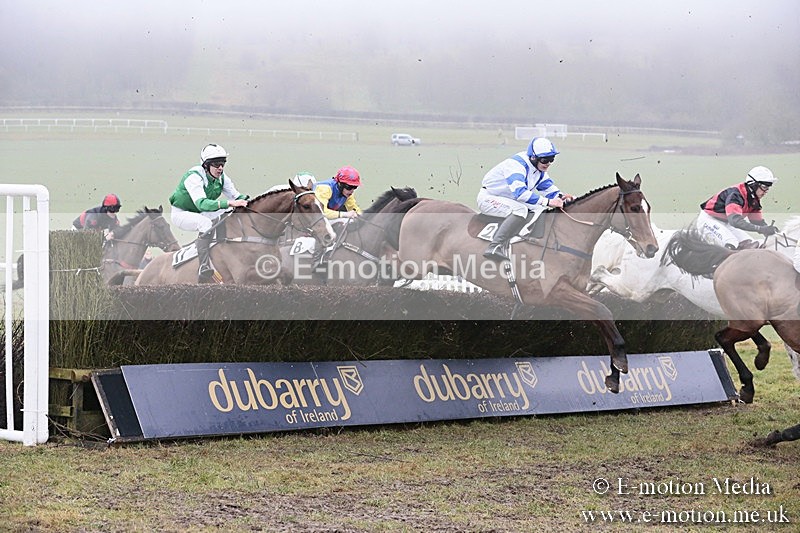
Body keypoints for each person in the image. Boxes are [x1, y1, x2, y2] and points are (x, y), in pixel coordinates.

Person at [478, 137, 574, 261]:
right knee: (520, 210)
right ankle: (494, 246)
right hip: (489, 198)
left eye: (552, 159)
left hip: (509, 199)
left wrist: (562, 198)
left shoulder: (539, 170)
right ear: (533, 158)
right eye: (545, 160)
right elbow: (521, 194)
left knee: (540, 209)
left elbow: (549, 190)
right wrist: (549, 202)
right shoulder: (516, 165)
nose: (548, 163)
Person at [169, 143, 249, 283]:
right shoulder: (193, 177)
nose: (220, 168)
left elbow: (236, 197)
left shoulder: (222, 177)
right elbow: (201, 203)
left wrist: (254, 202)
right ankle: (203, 265)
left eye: (223, 164)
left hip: (203, 212)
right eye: (216, 164)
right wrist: (228, 203)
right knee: (205, 223)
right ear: (206, 165)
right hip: (182, 214)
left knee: (229, 213)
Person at [696, 166, 779, 250]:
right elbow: (735, 221)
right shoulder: (735, 195)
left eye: (768, 188)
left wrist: (773, 233)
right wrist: (761, 229)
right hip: (709, 220)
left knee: (752, 244)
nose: (766, 192)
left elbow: (757, 222)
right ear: (753, 185)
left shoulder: (754, 200)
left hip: (726, 223)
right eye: (764, 187)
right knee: (732, 242)